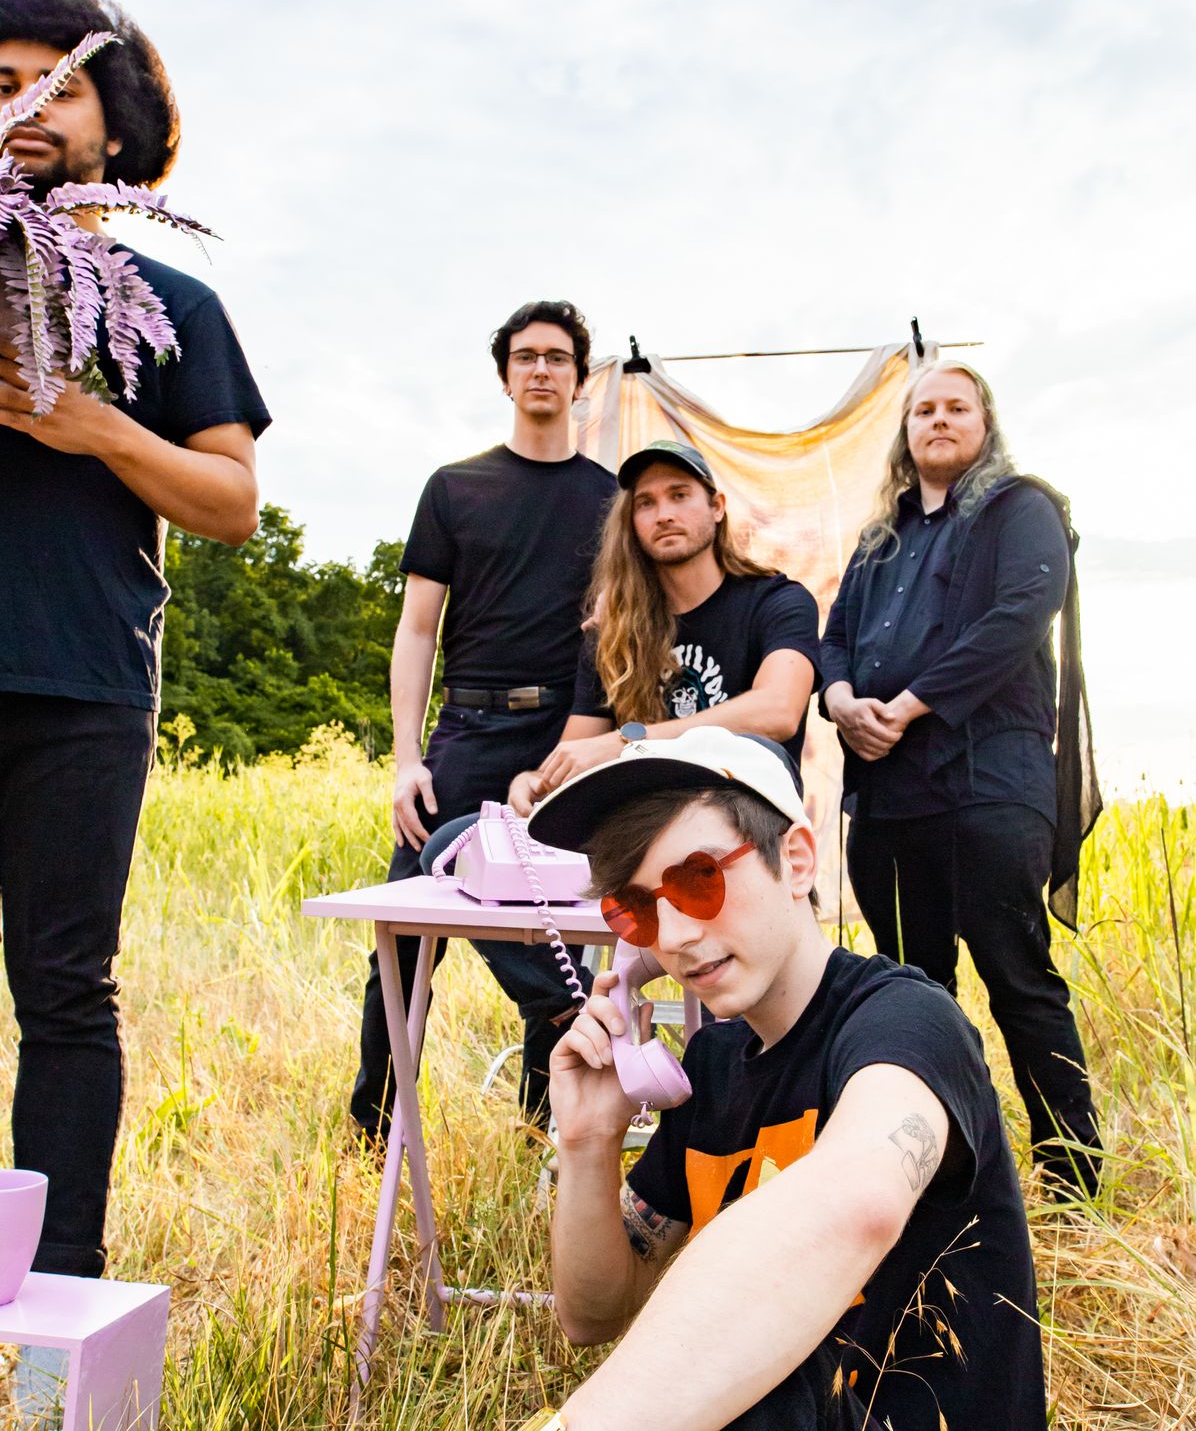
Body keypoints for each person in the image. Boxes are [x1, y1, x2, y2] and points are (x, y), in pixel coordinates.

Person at [521, 727, 1047, 1431]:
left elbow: (860, 1200)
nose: (672, 937)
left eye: (699, 880)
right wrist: (589, 1141)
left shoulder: (907, 1022)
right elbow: (593, 1315)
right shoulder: (709, 1070)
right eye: (637, 909)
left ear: (795, 860)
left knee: (748, 1362)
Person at [0, 0, 269, 1281]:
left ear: (119, 123)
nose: (28, 106)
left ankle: (53, 1290)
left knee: (63, 990)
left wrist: (98, 427)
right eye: (4, 85)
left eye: (61, 83)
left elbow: (232, 503)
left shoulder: (173, 308)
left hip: (82, 689)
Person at [820, 361, 1102, 1197]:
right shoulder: (880, 539)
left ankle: (1072, 1181)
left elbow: (1019, 616)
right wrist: (841, 701)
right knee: (913, 990)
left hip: (989, 787)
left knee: (1018, 979)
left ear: (985, 424)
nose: (939, 420)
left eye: (957, 407)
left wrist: (909, 705)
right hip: (890, 795)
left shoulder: (1021, 509)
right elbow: (834, 640)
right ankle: (947, 1182)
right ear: (906, 432)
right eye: (923, 410)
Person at [350, 300, 616, 1137]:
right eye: (526, 357)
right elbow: (416, 630)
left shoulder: (611, 500)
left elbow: (616, 637)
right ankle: (373, 1126)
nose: (541, 370)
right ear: (505, 377)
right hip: (464, 734)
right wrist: (406, 759)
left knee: (554, 927)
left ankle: (545, 1127)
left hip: (564, 737)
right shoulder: (454, 487)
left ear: (579, 380)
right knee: (404, 931)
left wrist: (588, 745)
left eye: (558, 358)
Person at [508, 439, 820, 815]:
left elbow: (778, 711)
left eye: (679, 495)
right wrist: (533, 780)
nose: (664, 515)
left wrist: (630, 743)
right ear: (632, 523)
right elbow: (576, 752)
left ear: (717, 507)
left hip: (745, 814)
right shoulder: (614, 627)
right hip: (646, 821)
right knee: (455, 833)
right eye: (646, 503)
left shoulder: (777, 602)